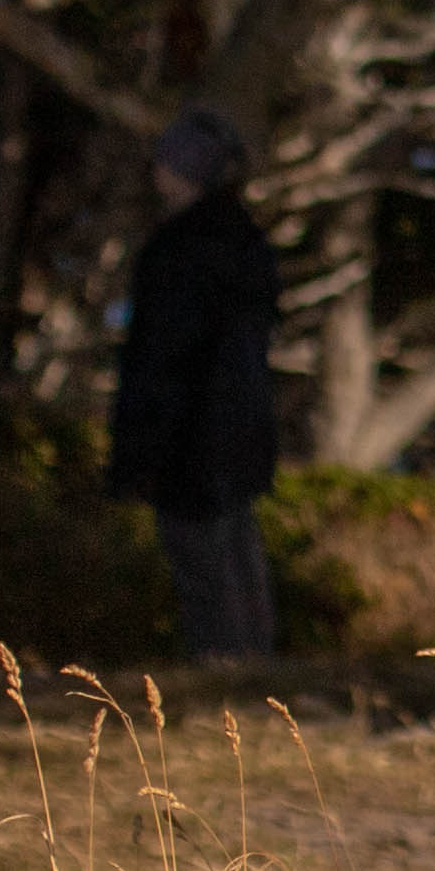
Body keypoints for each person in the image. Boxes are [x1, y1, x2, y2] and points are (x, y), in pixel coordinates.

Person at [108, 108, 288, 662]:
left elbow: (160, 357)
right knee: (237, 558)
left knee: (205, 568)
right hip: (241, 427)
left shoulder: (177, 252)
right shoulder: (247, 243)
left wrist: (137, 448)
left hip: (187, 434)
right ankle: (255, 672)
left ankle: (229, 679)